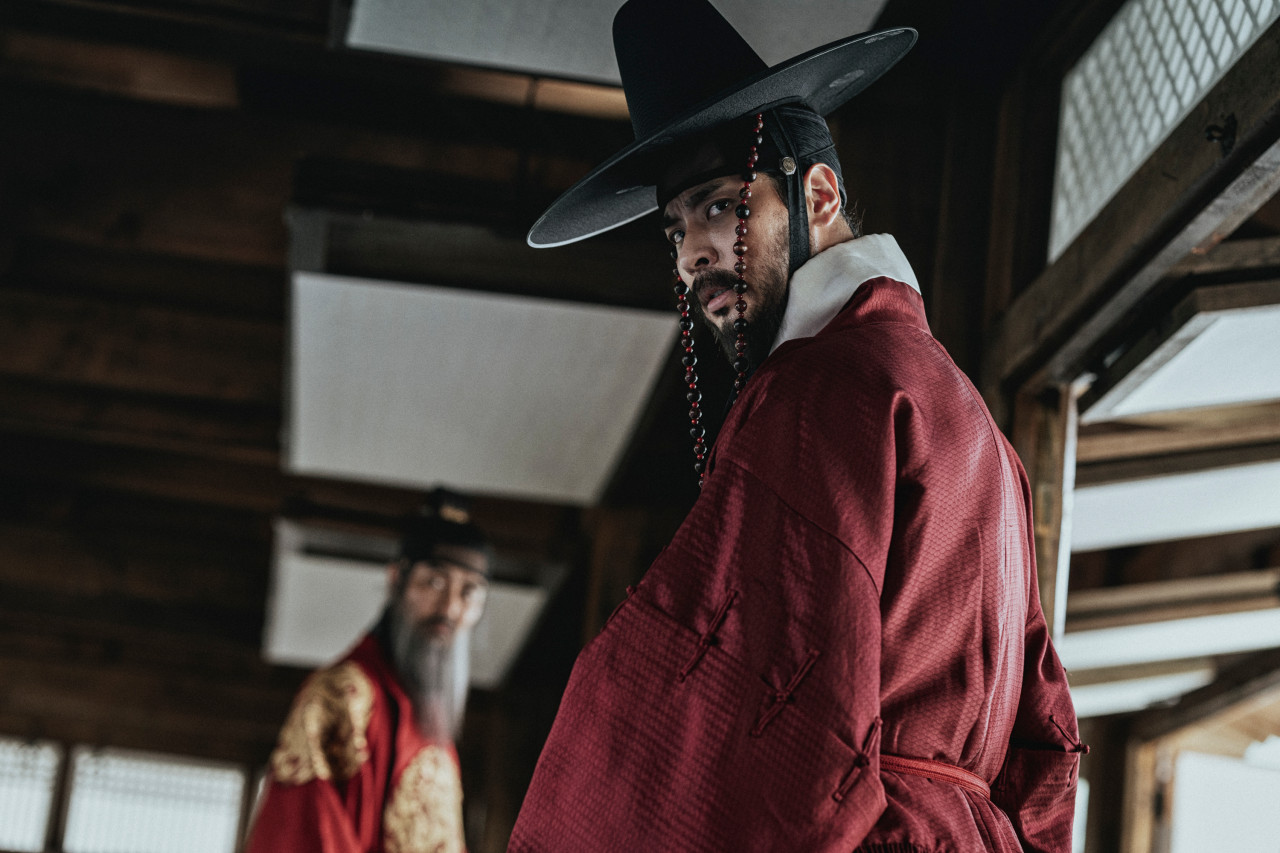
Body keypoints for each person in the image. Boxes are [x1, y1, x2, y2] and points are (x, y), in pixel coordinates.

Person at [509, 1, 1085, 851]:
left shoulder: (818, 390)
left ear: (817, 192)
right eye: (675, 231)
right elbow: (1048, 736)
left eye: (717, 207)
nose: (691, 255)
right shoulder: (976, 422)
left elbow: (771, 730)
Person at [247, 492, 490, 853]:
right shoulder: (344, 694)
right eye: (435, 582)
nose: (451, 608)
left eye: (469, 593)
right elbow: (303, 833)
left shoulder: (433, 722)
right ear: (396, 579)